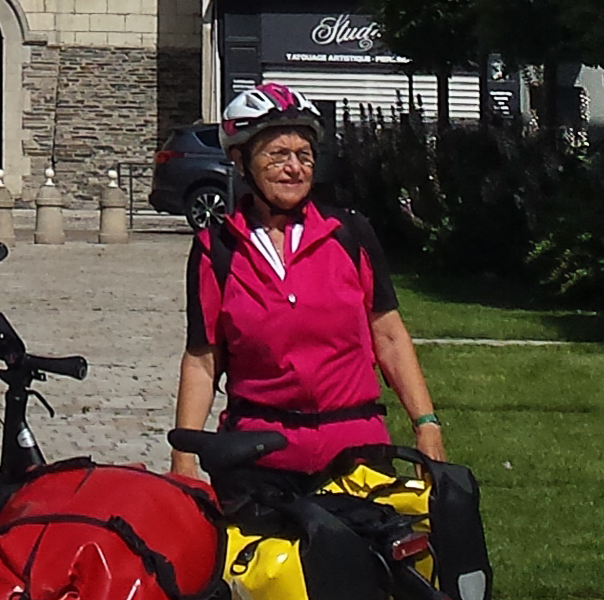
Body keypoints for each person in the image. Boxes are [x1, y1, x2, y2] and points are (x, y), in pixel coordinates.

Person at [170, 82, 445, 486]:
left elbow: (388, 335)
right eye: (277, 155)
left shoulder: (348, 233)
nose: (294, 168)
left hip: (356, 454)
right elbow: (202, 359)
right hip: (258, 458)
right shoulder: (218, 249)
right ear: (240, 160)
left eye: (304, 155)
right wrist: (183, 457)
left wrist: (426, 423)